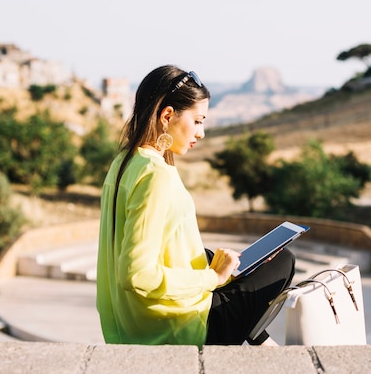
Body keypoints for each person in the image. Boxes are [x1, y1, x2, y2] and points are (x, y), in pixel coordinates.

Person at [96, 65, 295, 347]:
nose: (201, 132)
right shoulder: (156, 175)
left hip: (133, 325)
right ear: (167, 116)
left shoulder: (122, 164)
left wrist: (220, 267)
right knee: (284, 261)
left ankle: (255, 332)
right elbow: (138, 275)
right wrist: (212, 277)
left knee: (246, 271)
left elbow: (155, 247)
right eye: (198, 120)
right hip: (177, 328)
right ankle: (256, 336)